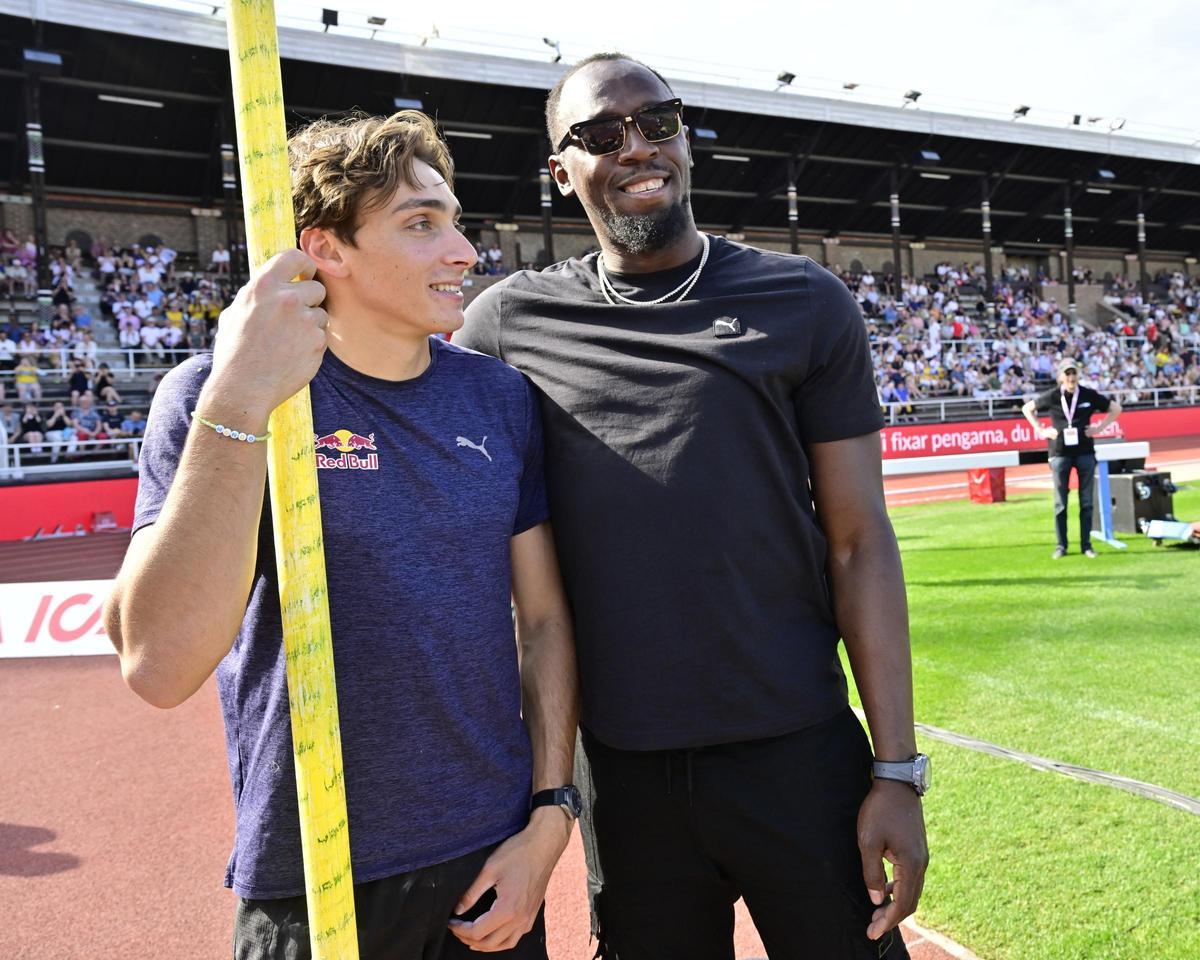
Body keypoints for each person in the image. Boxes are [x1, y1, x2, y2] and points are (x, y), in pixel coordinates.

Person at [458, 52, 928, 960]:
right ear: (561, 173)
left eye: (658, 122)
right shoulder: (506, 325)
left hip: (799, 753)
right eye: (601, 135)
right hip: (625, 777)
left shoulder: (804, 303)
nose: (637, 147)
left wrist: (897, 770)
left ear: (686, 140)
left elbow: (861, 543)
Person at [103, 110, 579, 960]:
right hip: (312, 880)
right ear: (327, 250)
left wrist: (550, 817)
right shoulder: (215, 395)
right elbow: (159, 664)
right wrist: (241, 403)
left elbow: (542, 622)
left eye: (456, 222)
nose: (463, 253)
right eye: (421, 225)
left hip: (491, 870)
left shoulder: (499, 400)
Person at [1022, 358, 1122, 559]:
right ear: (1060, 376)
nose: (1071, 377)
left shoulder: (1088, 395)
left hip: (1085, 453)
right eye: (1067, 374)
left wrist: (1099, 428)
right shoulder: (1052, 396)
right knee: (1061, 503)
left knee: (1087, 502)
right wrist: (1041, 430)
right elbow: (1027, 409)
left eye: (1073, 373)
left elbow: (1116, 409)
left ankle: (1086, 545)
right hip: (1059, 454)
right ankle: (1061, 546)